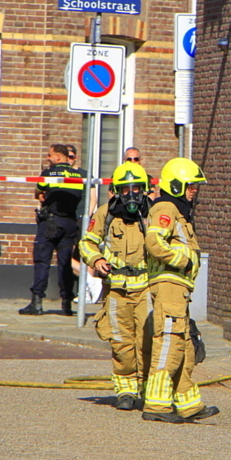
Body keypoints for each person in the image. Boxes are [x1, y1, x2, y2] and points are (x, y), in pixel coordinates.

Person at [141, 157, 218, 423]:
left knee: (184, 347)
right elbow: (154, 242)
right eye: (190, 186)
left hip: (179, 288)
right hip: (169, 284)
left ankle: (188, 404)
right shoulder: (166, 207)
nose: (194, 191)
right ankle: (157, 405)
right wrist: (183, 260)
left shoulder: (179, 211)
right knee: (169, 344)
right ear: (175, 185)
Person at [78, 161, 152, 411]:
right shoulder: (105, 213)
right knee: (121, 343)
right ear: (116, 191)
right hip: (117, 292)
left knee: (147, 340)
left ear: (145, 189)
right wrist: (96, 259)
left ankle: (147, 389)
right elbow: (87, 242)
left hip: (147, 290)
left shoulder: (154, 213)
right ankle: (126, 391)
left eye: (137, 188)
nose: (131, 194)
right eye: (125, 189)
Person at [18, 144, 87, 316]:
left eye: (50, 155)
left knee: (42, 261)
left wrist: (43, 195)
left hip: (50, 223)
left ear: (58, 157)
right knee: (65, 264)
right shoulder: (79, 176)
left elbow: (38, 192)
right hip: (70, 223)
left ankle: (36, 302)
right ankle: (67, 304)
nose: (47, 158)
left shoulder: (48, 174)